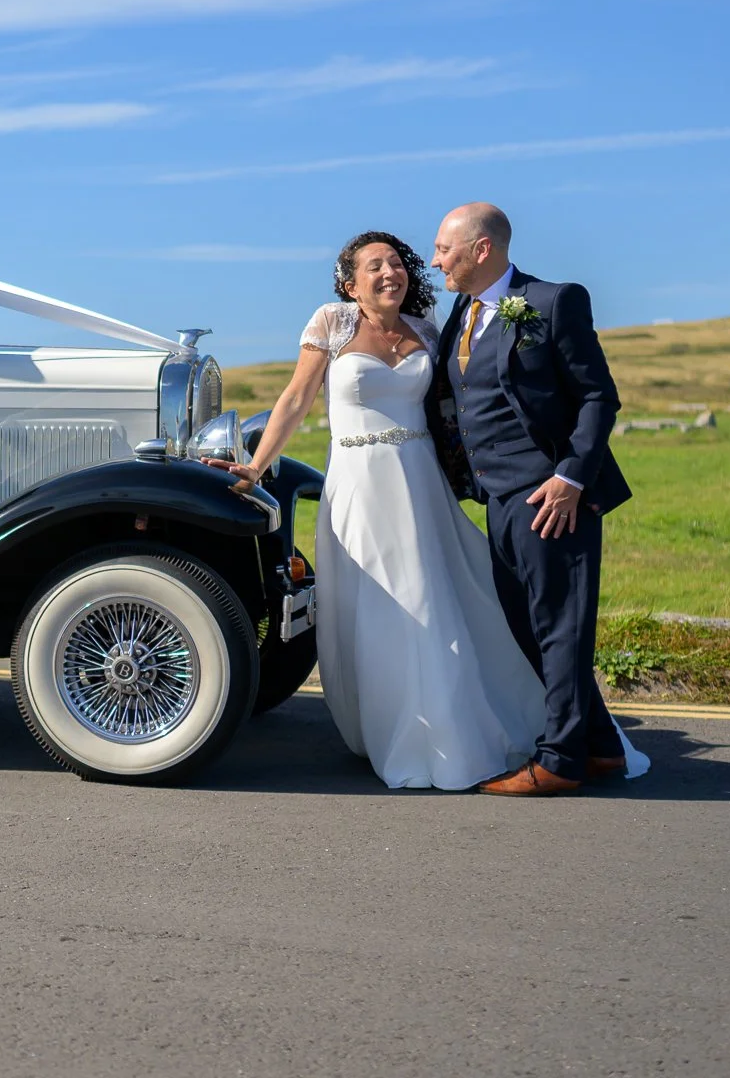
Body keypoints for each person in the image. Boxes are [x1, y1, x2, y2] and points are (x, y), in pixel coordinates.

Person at [206, 224, 646, 791]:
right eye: (374, 266)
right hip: (360, 488)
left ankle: (531, 734)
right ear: (349, 283)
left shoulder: (431, 328)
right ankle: (399, 729)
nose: (390, 272)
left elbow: (467, 403)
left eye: (398, 262)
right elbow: (294, 398)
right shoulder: (330, 324)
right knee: (383, 609)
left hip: (422, 486)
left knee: (450, 605)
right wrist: (256, 466)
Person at [425, 203, 642, 795]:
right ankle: (598, 747)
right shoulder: (461, 313)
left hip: (551, 495)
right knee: (528, 624)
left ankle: (560, 762)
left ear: (482, 249)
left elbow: (599, 397)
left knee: (560, 628)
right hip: (497, 497)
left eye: (445, 248)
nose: (436, 259)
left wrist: (572, 477)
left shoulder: (552, 301)